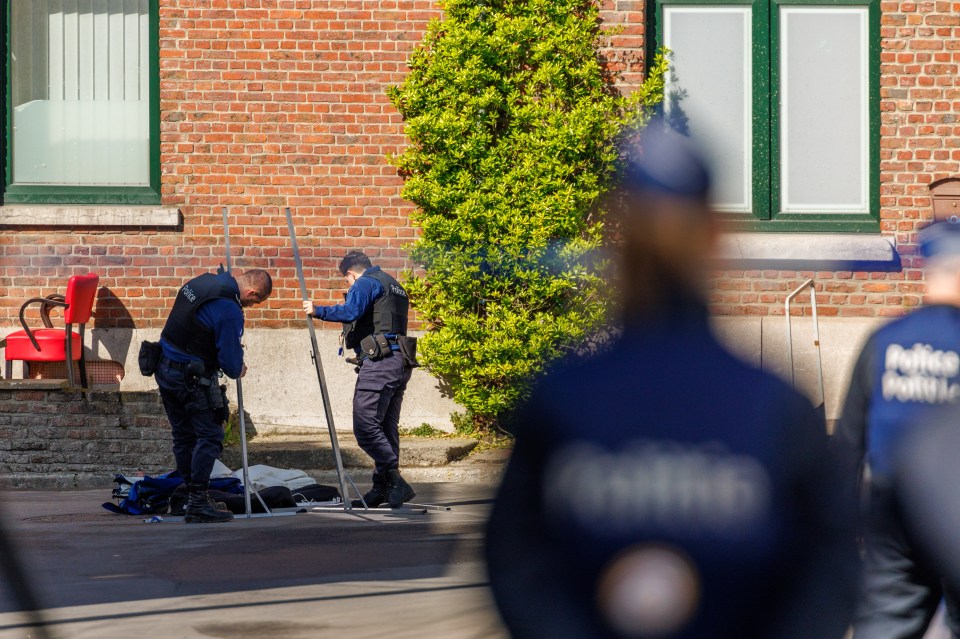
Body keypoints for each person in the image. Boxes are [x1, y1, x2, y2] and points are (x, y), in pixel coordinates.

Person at [484, 119, 858, 638]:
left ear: (618, 242)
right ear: (715, 234)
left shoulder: (565, 395)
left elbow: (516, 563)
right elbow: (826, 571)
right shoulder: (772, 406)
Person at [835, 220, 960, 638]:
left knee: (885, 623)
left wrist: (843, 523)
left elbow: (849, 442)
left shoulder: (886, 340)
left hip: (893, 507)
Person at [157, 268, 273, 524]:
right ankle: (198, 502)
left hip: (164, 367)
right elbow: (231, 364)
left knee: (184, 436)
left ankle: (186, 496)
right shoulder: (228, 308)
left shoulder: (202, 282)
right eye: (255, 302)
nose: (251, 306)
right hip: (190, 378)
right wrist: (238, 367)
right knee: (210, 435)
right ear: (252, 292)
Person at [303, 251, 416, 509]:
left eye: (346, 282)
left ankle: (394, 479)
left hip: (380, 363)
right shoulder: (393, 284)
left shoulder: (365, 282)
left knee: (365, 426)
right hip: (399, 361)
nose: (348, 285)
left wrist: (317, 310)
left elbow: (352, 310)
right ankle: (382, 488)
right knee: (385, 427)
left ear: (351, 274)